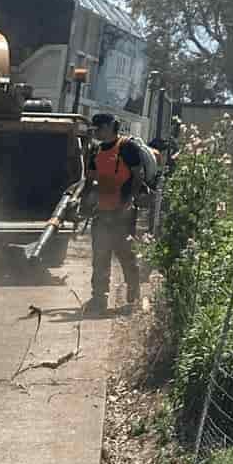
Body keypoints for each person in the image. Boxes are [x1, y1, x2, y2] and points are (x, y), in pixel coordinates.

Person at [81, 112, 155, 314]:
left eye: (99, 128)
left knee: (125, 253)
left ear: (110, 126)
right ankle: (99, 298)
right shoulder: (95, 150)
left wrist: (129, 201)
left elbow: (138, 174)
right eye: (94, 129)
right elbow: (90, 179)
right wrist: (85, 204)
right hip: (101, 211)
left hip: (122, 211)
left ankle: (134, 292)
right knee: (100, 255)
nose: (96, 132)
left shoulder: (126, 147)